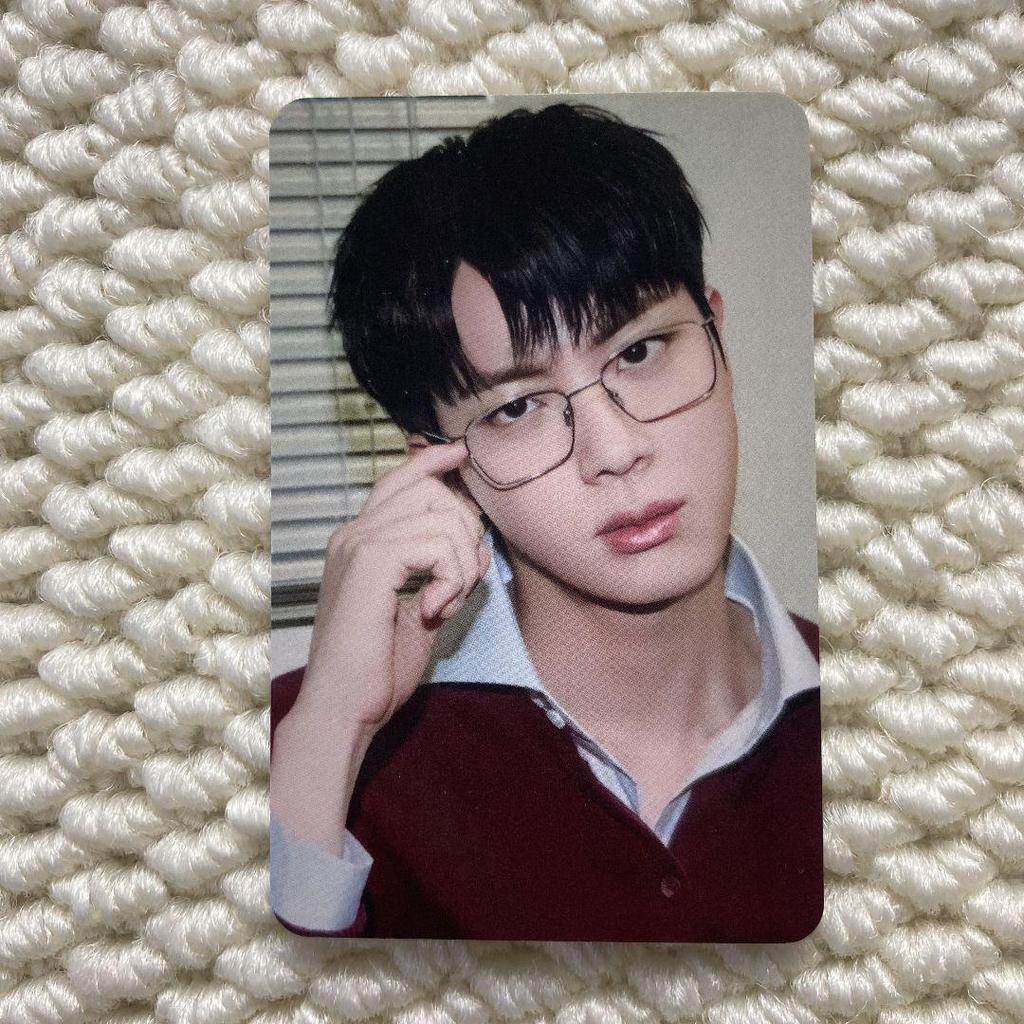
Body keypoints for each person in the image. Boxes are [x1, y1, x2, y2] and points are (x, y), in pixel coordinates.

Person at [269, 103, 822, 941]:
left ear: (719, 339)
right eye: (517, 407)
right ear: (441, 465)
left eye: (639, 352)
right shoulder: (312, 736)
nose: (617, 450)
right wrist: (327, 741)